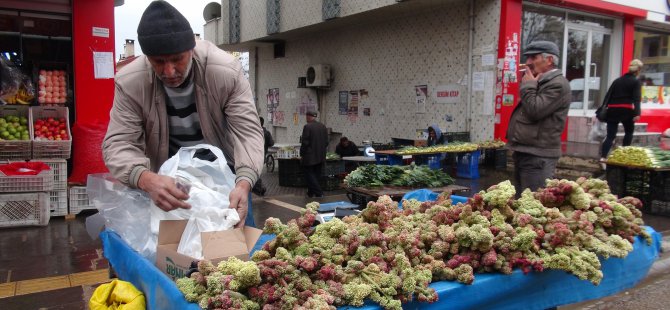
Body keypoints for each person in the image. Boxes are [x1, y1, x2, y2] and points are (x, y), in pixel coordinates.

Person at [102, 1, 263, 228]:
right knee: (174, 256)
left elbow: (248, 133)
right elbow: (118, 143)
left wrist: (244, 182)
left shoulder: (225, 71)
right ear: (147, 57)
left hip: (225, 179)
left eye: (177, 59)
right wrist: (146, 179)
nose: (169, 71)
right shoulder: (130, 82)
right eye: (159, 61)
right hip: (168, 181)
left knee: (241, 254)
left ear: (191, 49)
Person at [506, 40, 571, 194]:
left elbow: (535, 110)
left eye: (533, 57)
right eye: (527, 58)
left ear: (549, 60)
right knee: (522, 202)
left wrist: (528, 86)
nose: (528, 63)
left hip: (538, 156)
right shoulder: (540, 81)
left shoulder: (557, 84)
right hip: (527, 152)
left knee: (532, 205)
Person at [600, 59, 643, 166]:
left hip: (613, 110)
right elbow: (637, 99)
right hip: (626, 110)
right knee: (628, 132)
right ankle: (623, 156)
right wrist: (637, 113)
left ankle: (603, 158)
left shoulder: (617, 80)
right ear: (638, 70)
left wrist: (603, 109)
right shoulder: (636, 81)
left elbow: (608, 96)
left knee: (610, 135)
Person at [300, 110, 328, 198]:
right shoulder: (323, 126)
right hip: (321, 156)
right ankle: (310, 193)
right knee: (316, 175)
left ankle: (319, 193)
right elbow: (327, 142)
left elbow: (305, 142)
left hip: (310, 156)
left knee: (309, 174)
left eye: (306, 117)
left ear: (308, 117)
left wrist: (302, 153)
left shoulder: (307, 127)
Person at [252, 117, 274, 196]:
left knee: (255, 173)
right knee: (257, 172)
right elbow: (271, 143)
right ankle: (260, 188)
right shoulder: (266, 132)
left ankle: (260, 188)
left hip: (253, 156)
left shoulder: (253, 132)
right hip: (262, 156)